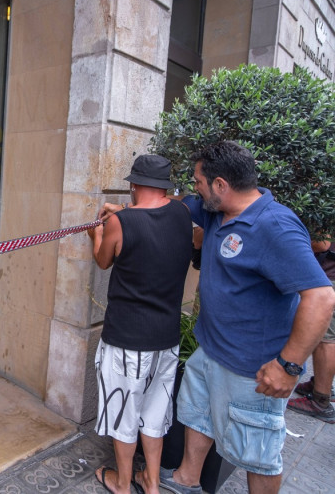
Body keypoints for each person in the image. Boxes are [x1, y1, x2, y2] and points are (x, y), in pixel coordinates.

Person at [152, 141, 335, 494]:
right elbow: (175, 205)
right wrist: (129, 211)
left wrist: (289, 366)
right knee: (197, 417)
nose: (196, 188)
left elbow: (321, 296)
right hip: (211, 350)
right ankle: (186, 481)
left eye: (199, 182)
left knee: (258, 454)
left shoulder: (275, 226)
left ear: (221, 185)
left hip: (253, 369)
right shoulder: (216, 210)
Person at [87, 155, 192, 494]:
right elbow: (153, 216)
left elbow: (103, 260)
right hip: (166, 337)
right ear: (166, 185)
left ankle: (121, 481)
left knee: (124, 412)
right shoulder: (182, 213)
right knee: (156, 411)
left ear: (133, 184)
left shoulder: (122, 224)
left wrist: (96, 234)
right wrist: (122, 213)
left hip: (127, 339)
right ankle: (151, 481)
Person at [286, 239, 335, 423]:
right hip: (329, 271)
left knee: (326, 339)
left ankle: (321, 400)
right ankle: (322, 385)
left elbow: (323, 243)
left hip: (329, 273)